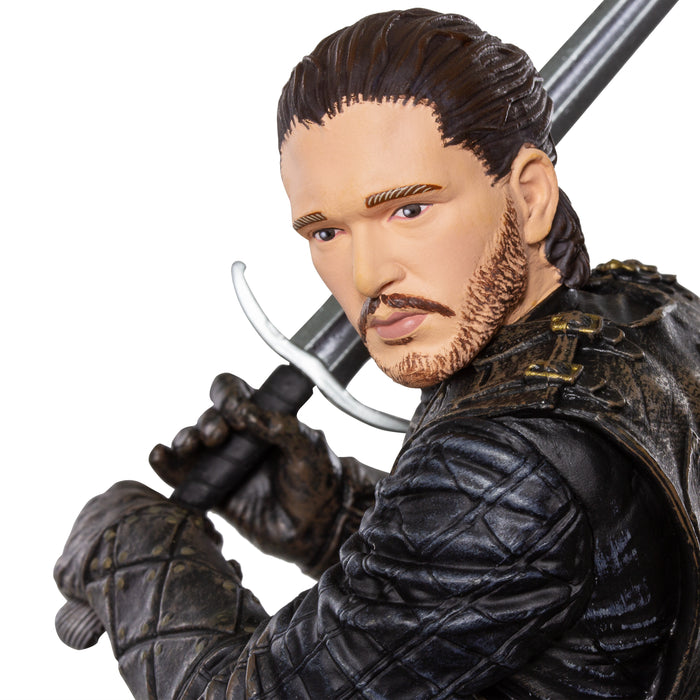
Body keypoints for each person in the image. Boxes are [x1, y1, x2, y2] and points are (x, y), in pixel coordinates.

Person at [54, 9, 700, 698]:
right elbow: (527, 570)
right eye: (326, 232)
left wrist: (133, 555)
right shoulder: (649, 310)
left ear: (531, 196)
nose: (368, 276)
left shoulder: (505, 467)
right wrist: (331, 514)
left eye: (409, 210)